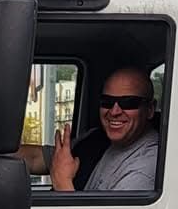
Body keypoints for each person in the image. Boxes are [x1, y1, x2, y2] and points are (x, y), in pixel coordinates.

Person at [19, 66, 159, 194]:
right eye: (107, 101)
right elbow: (34, 158)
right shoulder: (96, 139)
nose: (114, 111)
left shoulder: (146, 168)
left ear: (150, 110)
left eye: (129, 102)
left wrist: (62, 182)